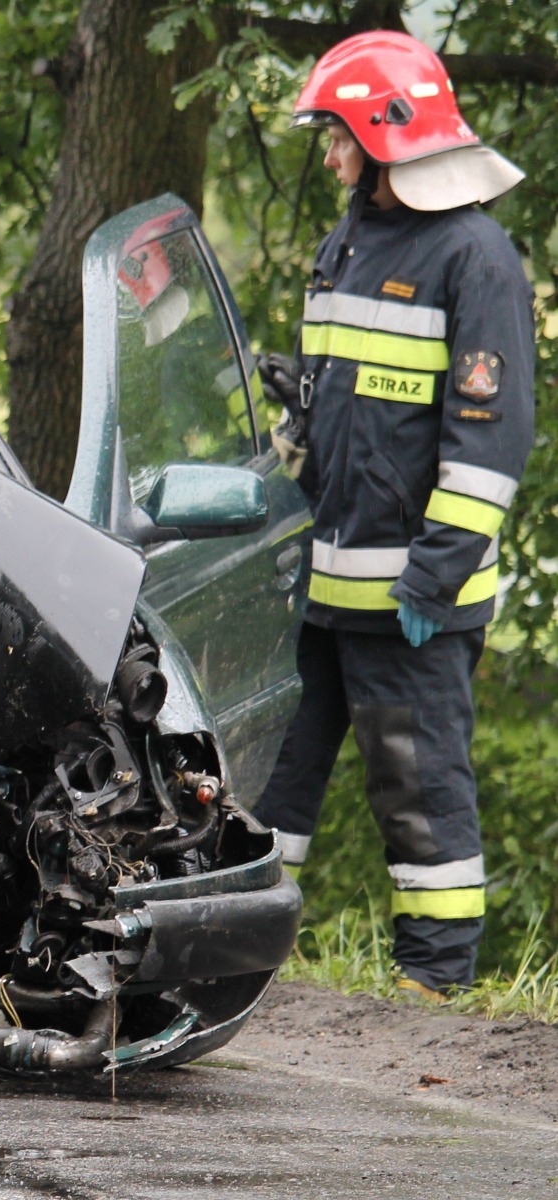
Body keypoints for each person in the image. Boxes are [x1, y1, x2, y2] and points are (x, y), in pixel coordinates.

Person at [251, 31, 535, 998]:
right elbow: (341, 409)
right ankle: (242, 958)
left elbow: (487, 445)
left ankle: (433, 988)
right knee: (270, 788)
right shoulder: (351, 237)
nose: (328, 155)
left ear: (386, 133)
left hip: (411, 599)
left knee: (419, 796)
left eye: (335, 136)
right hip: (322, 590)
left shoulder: (475, 257)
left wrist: (434, 574)